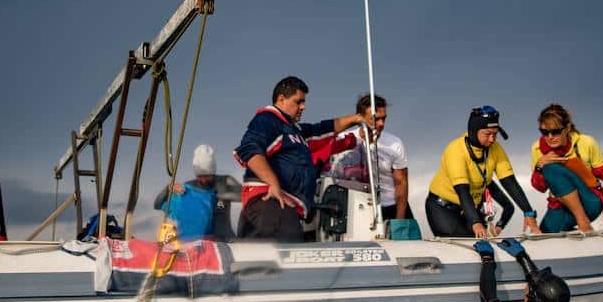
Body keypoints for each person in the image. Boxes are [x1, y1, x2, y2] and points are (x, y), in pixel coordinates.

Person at [233, 76, 371, 240]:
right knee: (274, 261)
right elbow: (249, 150)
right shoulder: (268, 119)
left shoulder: (295, 130)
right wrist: (273, 183)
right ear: (281, 99)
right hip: (269, 204)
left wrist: (357, 119)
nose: (303, 107)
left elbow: (323, 129)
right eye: (298, 102)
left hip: (285, 210)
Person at [426, 106, 541, 239]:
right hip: (443, 207)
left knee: (483, 248)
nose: (492, 139)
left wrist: (528, 212)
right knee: (470, 245)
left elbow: (510, 183)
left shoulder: (495, 149)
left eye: (495, 134)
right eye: (487, 134)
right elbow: (462, 190)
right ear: (474, 131)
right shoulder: (455, 150)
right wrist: (476, 222)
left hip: (470, 209)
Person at [529, 103, 603, 234]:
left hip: (590, 202)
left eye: (556, 131)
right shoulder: (537, 149)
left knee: (551, 168)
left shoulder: (587, 142)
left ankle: (583, 223)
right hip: (560, 205)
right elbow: (540, 188)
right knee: (546, 234)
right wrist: (539, 166)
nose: (550, 137)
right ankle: (574, 231)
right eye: (545, 132)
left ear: (567, 128)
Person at [329, 94, 410, 221]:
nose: (381, 124)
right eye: (375, 119)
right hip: (359, 207)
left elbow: (401, 182)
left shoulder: (395, 143)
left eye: (384, 118)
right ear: (359, 118)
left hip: (390, 206)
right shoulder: (343, 141)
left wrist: (399, 220)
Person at [474, 238, 579, 302]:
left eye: (528, 292)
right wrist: (522, 256)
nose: (525, 289)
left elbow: (488, 296)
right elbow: (546, 292)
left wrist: (487, 259)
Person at [153, 144, 239, 241]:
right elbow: (157, 205)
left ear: (213, 172)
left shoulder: (225, 182)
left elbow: (244, 195)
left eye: (207, 176)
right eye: (200, 176)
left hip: (223, 242)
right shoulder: (186, 190)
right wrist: (168, 188)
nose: (203, 180)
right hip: (191, 244)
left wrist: (225, 195)